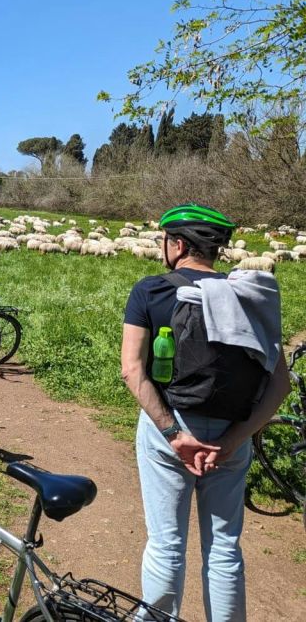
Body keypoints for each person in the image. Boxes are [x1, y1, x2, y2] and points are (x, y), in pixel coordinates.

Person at [121, 203, 291, 621]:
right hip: (231, 436)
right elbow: (280, 383)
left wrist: (173, 434)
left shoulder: (152, 290)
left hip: (170, 430)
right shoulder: (253, 296)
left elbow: (131, 369)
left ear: (177, 245)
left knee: (166, 544)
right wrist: (235, 439)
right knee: (224, 548)